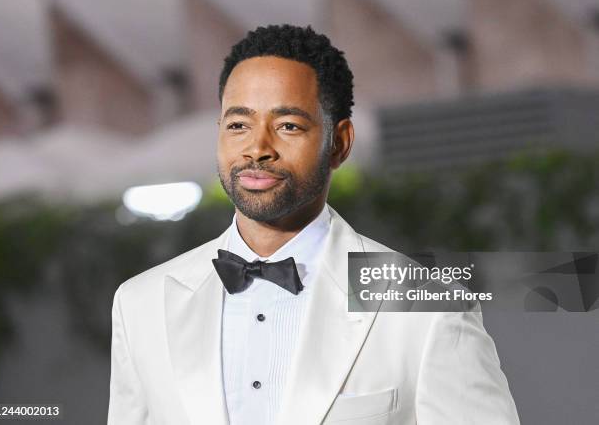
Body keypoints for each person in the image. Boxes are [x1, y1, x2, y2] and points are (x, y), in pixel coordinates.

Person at [107, 25, 520, 425]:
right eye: (238, 125)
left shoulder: (426, 305)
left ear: (339, 143)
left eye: (288, 126)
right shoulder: (141, 304)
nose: (257, 148)